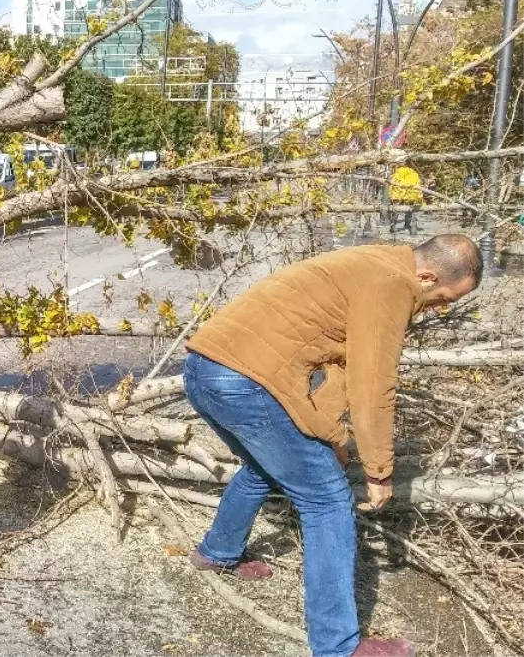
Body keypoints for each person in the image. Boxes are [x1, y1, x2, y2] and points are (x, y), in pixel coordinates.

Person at [182, 235, 483, 657]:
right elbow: (372, 384)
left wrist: (330, 435)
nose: (439, 308)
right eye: (442, 299)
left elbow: (336, 369)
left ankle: (218, 552)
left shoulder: (374, 262)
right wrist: (379, 469)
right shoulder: (393, 284)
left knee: (263, 466)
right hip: (246, 383)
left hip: (204, 367)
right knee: (327, 500)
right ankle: (338, 646)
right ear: (427, 276)